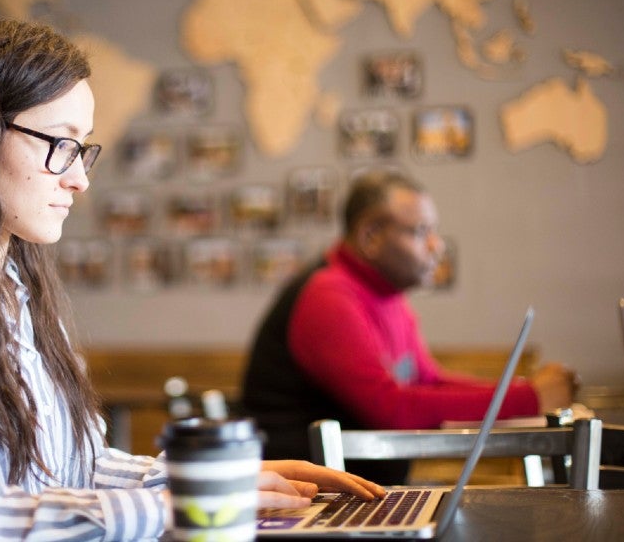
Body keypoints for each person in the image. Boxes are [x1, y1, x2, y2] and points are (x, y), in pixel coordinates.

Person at [0, 17, 384, 541]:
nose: (79, 180)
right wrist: (172, 507)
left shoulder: (17, 295)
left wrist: (212, 479)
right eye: (60, 145)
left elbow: (74, 469)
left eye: (83, 150)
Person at [241, 169, 577, 484]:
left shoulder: (385, 293)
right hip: (305, 507)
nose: (437, 246)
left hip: (359, 491)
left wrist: (522, 391)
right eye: (420, 232)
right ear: (370, 236)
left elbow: (429, 380)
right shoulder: (328, 295)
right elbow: (392, 409)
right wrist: (528, 399)